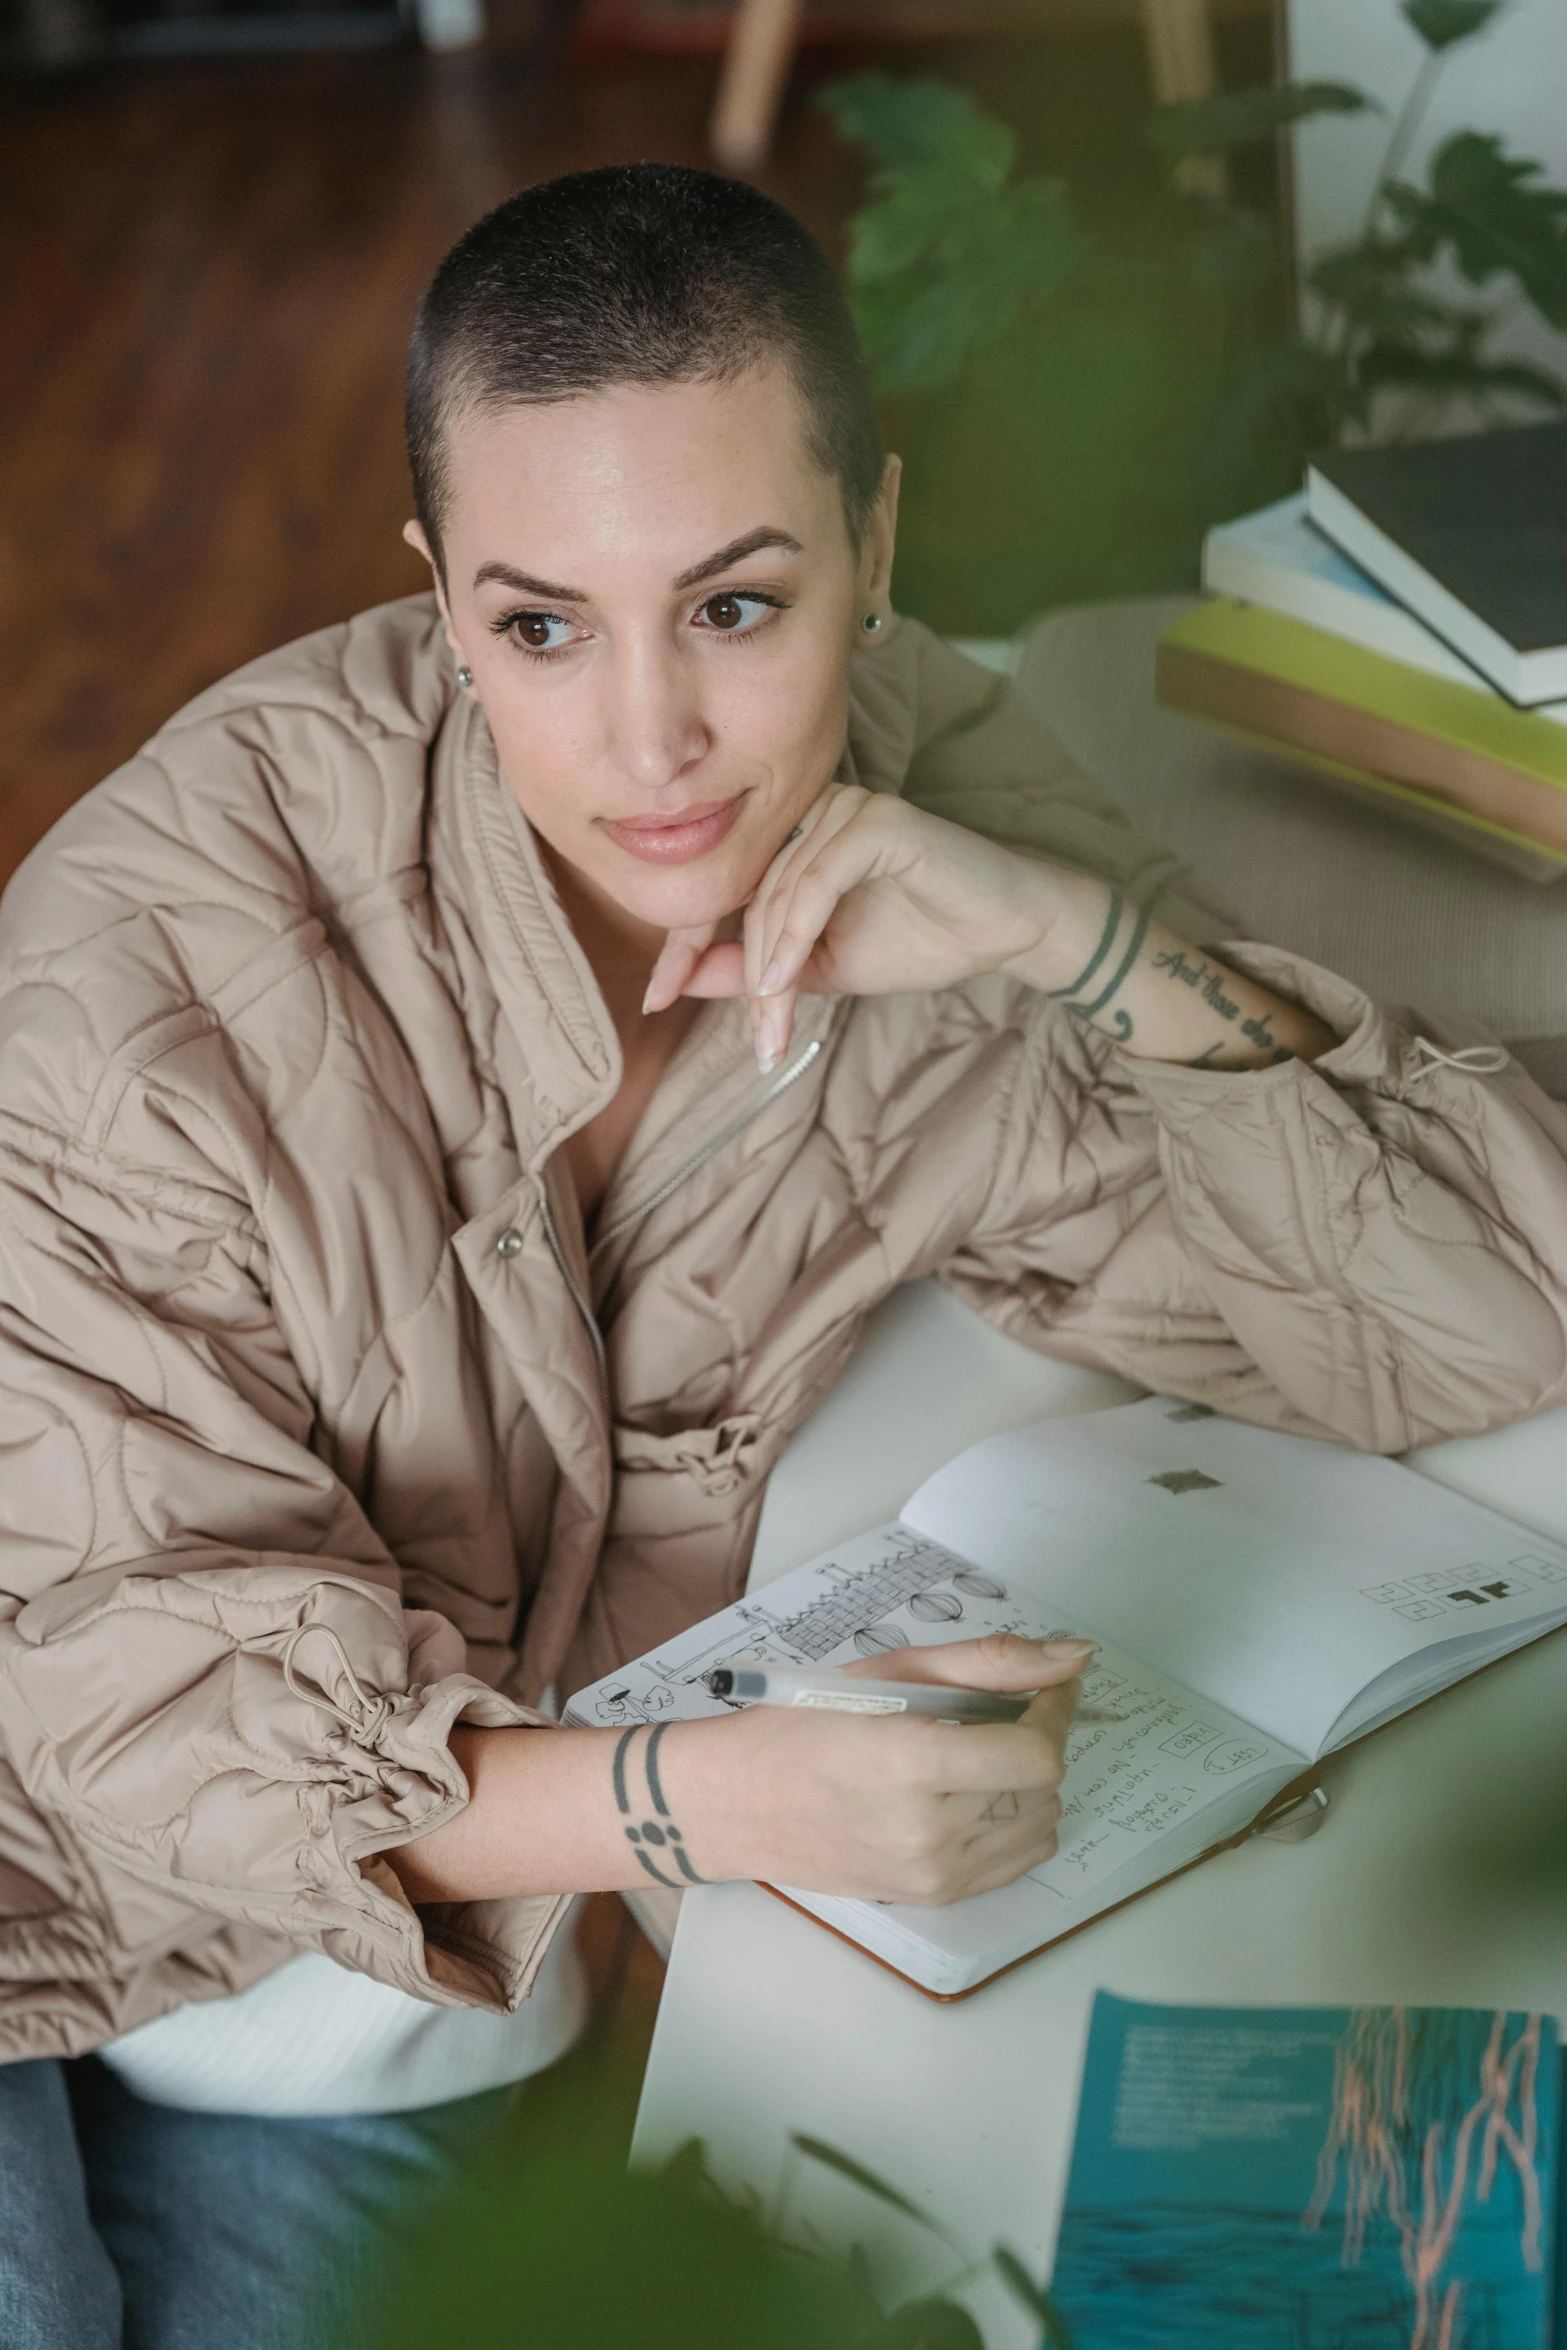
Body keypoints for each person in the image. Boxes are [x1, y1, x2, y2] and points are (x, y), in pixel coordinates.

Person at [1, 161, 1565, 2349]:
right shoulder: (137, 970)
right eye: (544, 624)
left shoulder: (945, 802)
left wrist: (1079, 941)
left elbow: (1494, 1295)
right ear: (441, 597)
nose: (651, 741)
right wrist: (716, 1803)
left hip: (381, 2032)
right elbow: (112, 1679)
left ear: (881, 551)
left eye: (736, 605)